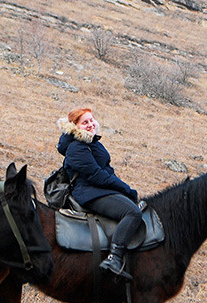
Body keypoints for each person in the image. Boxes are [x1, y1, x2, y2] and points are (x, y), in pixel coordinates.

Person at [57, 106, 143, 282]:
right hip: (89, 193)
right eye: (84, 122)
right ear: (75, 126)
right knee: (132, 212)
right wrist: (126, 189)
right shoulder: (76, 148)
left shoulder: (91, 143)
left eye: (91, 120)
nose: (90, 124)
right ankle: (114, 258)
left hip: (99, 189)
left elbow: (106, 173)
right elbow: (96, 176)